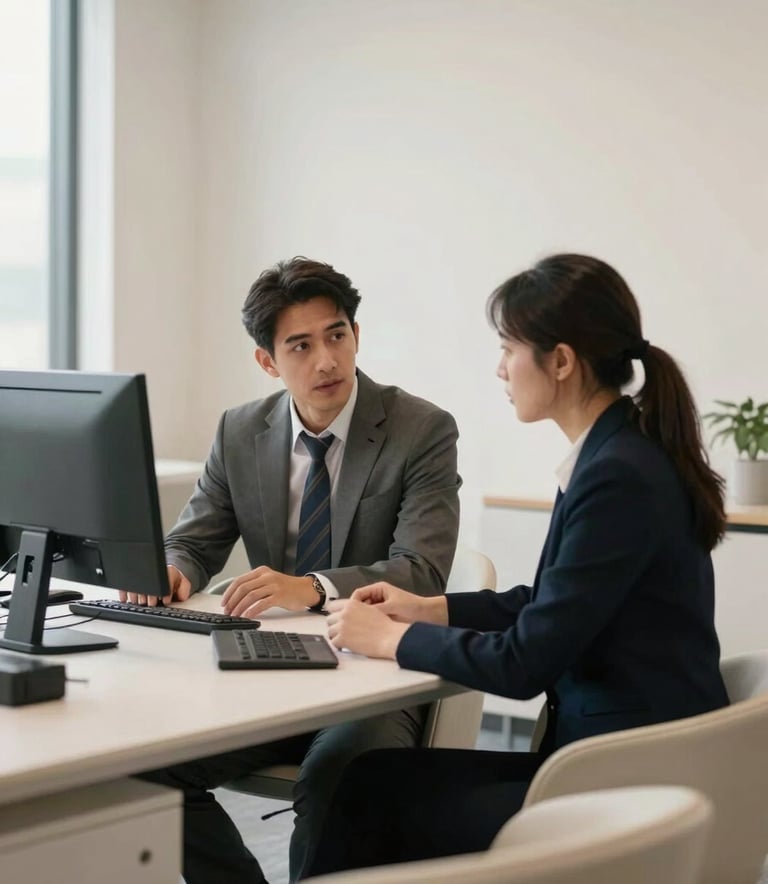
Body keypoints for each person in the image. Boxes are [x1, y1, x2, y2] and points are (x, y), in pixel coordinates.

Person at [305, 252, 730, 877]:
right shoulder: (618, 452)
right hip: (622, 755)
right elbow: (549, 604)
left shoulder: (616, 474)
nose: (500, 368)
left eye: (508, 348)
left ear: (561, 362)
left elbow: (524, 662)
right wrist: (430, 608)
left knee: (367, 797)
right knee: (367, 781)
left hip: (627, 778)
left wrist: (391, 639)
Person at [135, 257, 461, 884]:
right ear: (268, 361)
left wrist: (312, 588)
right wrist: (174, 570)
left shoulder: (421, 429)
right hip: (270, 671)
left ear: (356, 335)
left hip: (373, 676)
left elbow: (421, 571)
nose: (327, 361)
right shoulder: (240, 430)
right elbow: (194, 541)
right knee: (143, 770)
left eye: (337, 335)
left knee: (340, 776)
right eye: (301, 346)